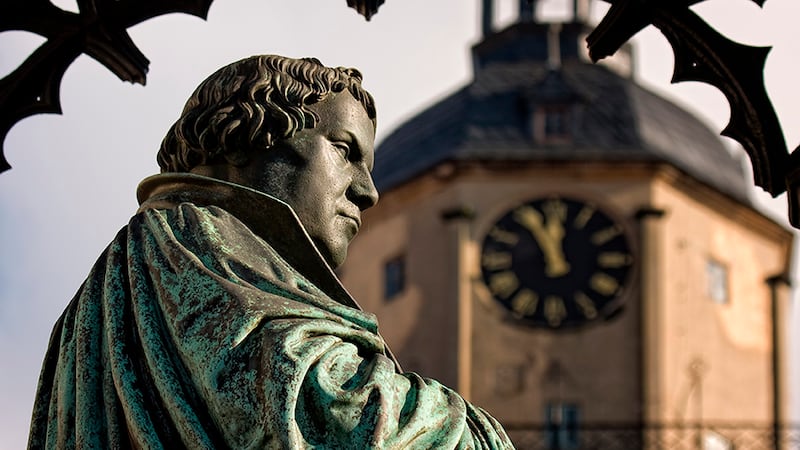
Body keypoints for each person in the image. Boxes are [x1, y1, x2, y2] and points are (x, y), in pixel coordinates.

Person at [28, 55, 513, 449]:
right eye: (345, 150)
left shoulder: (141, 265)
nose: (369, 192)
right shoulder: (188, 248)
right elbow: (337, 418)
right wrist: (472, 431)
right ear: (253, 138)